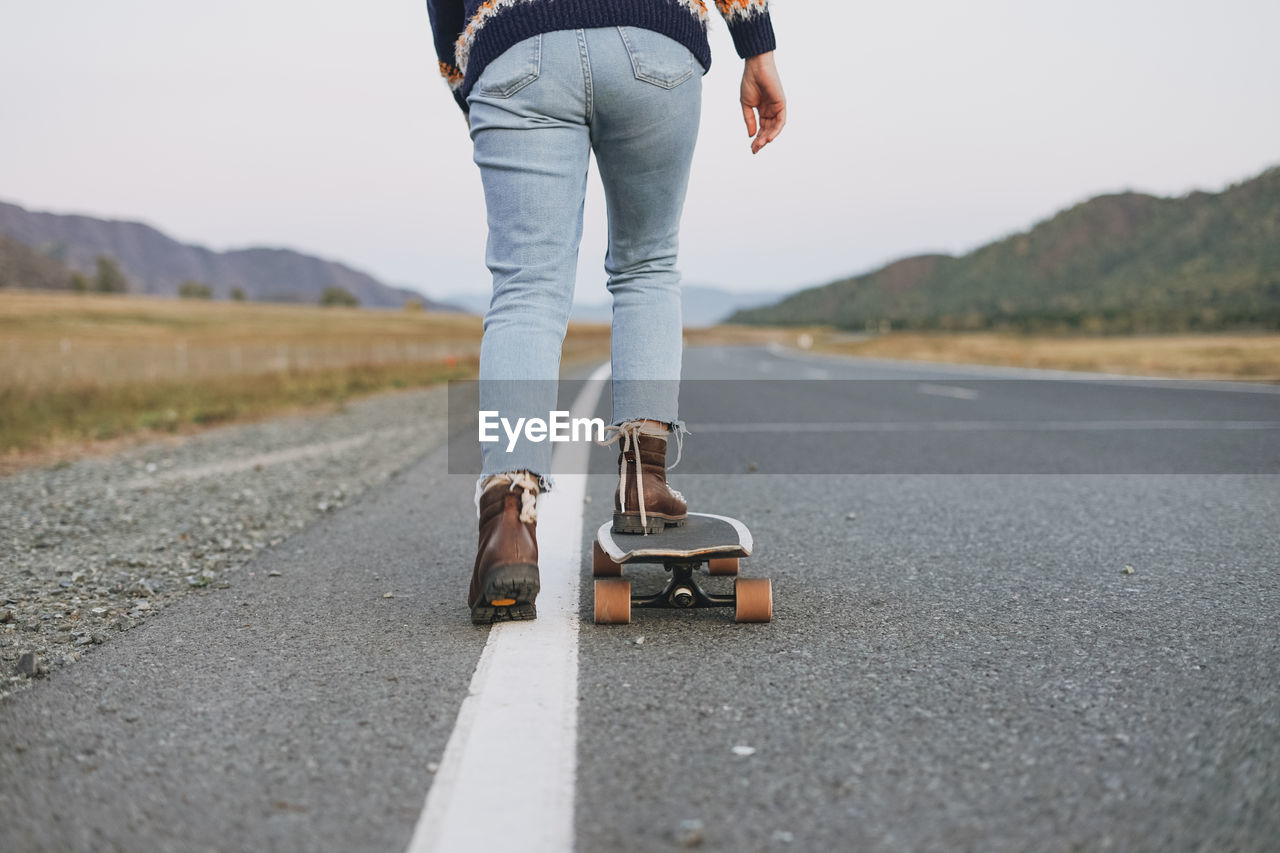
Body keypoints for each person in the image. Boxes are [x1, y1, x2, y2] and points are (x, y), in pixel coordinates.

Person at [425, 0, 787, 624]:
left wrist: (471, 78)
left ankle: (509, 518)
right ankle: (643, 483)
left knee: (526, 287)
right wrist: (756, 43)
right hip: (654, 40)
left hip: (515, 46)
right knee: (646, 266)